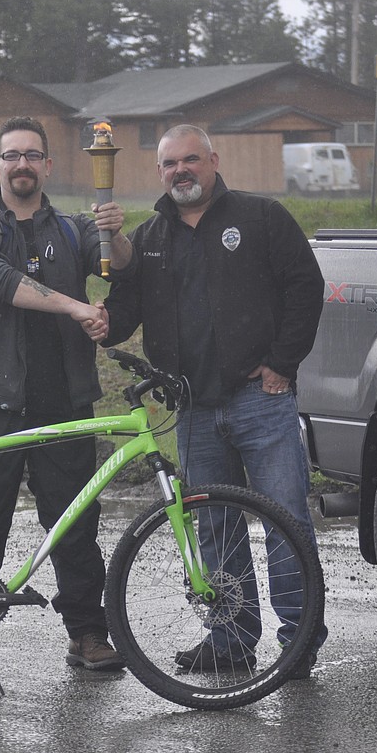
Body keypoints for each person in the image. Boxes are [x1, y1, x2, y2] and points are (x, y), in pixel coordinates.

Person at [100, 124, 327, 678]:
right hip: (193, 409)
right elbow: (122, 314)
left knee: (285, 522)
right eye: (169, 163)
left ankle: (299, 640)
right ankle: (230, 639)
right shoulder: (152, 237)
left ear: (213, 161)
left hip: (260, 401)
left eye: (191, 160)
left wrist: (282, 363)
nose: (181, 170)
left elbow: (306, 286)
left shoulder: (260, 217)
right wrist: (97, 316)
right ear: (159, 173)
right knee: (214, 527)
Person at [0, 115, 133, 672]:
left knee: (73, 525)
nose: (21, 164)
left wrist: (115, 233)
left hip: (64, 398)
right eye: (11, 155)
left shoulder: (73, 228)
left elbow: (121, 269)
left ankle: (88, 635)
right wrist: (73, 305)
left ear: (47, 165)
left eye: (32, 155)